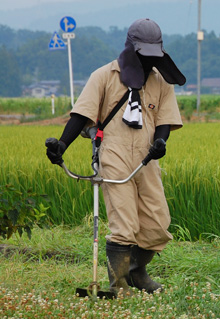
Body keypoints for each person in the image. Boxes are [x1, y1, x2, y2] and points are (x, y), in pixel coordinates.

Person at [45, 18, 186, 296]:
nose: (148, 62)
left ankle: (136, 271)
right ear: (131, 49)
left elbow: (164, 121)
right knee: (124, 224)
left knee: (158, 224)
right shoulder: (104, 76)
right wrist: (62, 144)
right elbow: (81, 115)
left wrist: (161, 141)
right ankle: (118, 283)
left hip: (147, 157)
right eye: (143, 56)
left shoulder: (161, 82)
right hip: (113, 153)